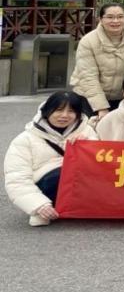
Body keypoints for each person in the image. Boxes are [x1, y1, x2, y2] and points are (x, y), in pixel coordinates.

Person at [4, 91, 96, 227]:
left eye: (71, 111)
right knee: (58, 175)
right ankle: (46, 209)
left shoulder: (87, 131)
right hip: (47, 188)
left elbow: (101, 166)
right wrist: (39, 205)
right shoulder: (25, 139)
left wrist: (89, 145)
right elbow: (17, 179)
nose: (64, 115)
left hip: (82, 189)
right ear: (47, 111)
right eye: (59, 110)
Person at [70, 2, 124, 117]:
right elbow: (88, 77)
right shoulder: (88, 41)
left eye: (120, 17)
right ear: (100, 19)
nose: (115, 21)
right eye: (110, 17)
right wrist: (101, 107)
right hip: (90, 97)